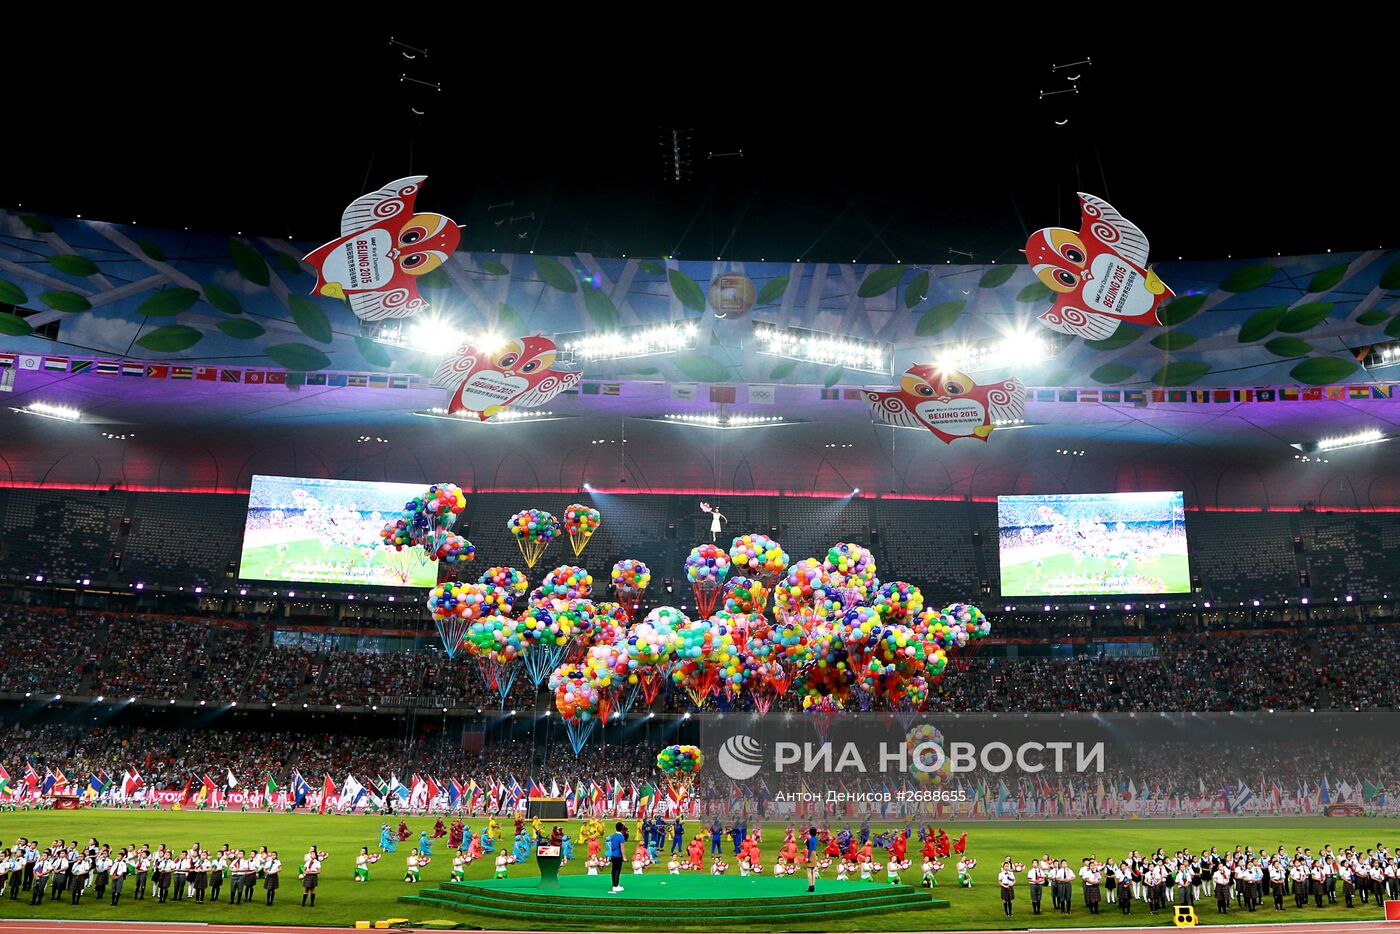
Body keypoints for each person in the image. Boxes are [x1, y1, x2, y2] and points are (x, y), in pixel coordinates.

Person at [607, 822, 627, 894]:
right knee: (617, 871)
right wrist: (624, 857)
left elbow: (612, 846)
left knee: (613, 870)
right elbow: (622, 847)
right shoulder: (621, 836)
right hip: (618, 856)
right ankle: (616, 886)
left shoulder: (613, 835)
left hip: (613, 855)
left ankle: (614, 884)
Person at [805, 827, 820, 893]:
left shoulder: (810, 839)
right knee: (813, 870)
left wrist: (808, 857)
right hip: (815, 852)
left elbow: (810, 849)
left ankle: (810, 885)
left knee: (809, 870)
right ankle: (813, 885)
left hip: (811, 853)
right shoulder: (815, 839)